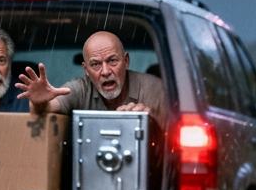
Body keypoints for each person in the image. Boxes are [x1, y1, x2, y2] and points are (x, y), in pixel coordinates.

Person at [15, 31, 166, 129]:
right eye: (96, 64)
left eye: (112, 60)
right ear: (86, 70)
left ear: (126, 61)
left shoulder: (156, 90)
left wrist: (151, 125)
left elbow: (175, 142)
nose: (105, 71)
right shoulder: (79, 89)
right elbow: (46, 108)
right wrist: (39, 102)